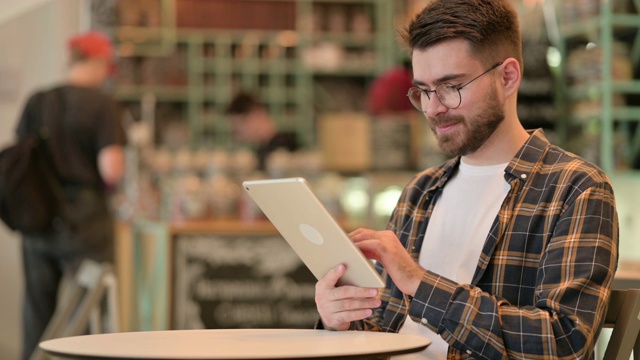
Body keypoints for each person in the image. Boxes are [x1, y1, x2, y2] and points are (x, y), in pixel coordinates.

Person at [314, 1, 619, 359]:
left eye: (451, 86)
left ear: (507, 77)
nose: (432, 108)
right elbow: (384, 328)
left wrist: (421, 284)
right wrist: (341, 320)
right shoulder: (420, 191)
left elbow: (564, 343)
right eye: (424, 91)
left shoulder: (576, 189)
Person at [16, 31, 126, 360]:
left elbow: (22, 157)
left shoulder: (38, 100)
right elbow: (112, 169)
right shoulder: (103, 104)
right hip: (86, 220)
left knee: (38, 309)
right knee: (88, 311)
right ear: (97, 62)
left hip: (39, 213)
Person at [226, 91, 299, 171]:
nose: (236, 128)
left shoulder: (284, 147)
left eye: (242, 121)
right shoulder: (261, 149)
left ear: (258, 113)